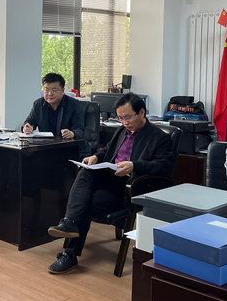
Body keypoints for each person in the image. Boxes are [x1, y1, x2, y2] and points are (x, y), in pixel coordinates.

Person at [46, 93, 175, 274]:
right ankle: (69, 223)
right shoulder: (122, 131)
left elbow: (164, 166)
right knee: (85, 171)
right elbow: (108, 150)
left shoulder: (159, 137)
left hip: (130, 186)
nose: (124, 122)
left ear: (142, 112)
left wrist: (135, 165)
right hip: (110, 177)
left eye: (128, 117)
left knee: (84, 202)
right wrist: (96, 156)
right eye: (120, 118)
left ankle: (69, 253)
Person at [22, 72, 84, 140]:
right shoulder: (38, 104)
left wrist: (72, 133)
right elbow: (29, 122)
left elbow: (80, 129)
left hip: (67, 144)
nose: (50, 94)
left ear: (63, 90)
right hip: (46, 144)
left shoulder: (74, 104)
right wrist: (27, 127)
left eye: (54, 90)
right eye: (46, 90)